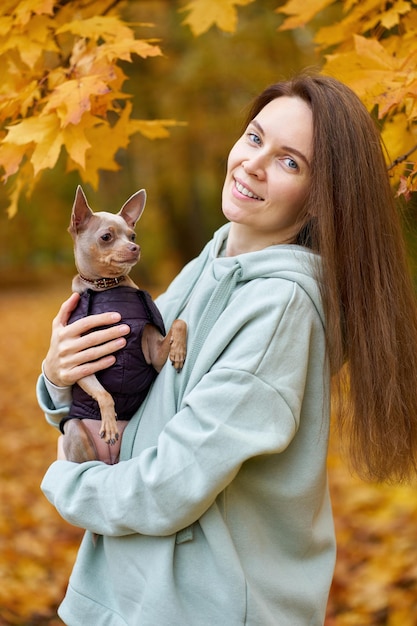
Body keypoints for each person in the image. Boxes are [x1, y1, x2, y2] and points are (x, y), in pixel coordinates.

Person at [38, 73, 417, 626]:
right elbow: (130, 387)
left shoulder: (280, 310)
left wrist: (65, 482)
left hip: (200, 607)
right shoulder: (210, 261)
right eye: (256, 137)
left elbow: (172, 485)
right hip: (127, 595)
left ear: (319, 200)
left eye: (291, 162)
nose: (254, 164)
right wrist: (58, 377)